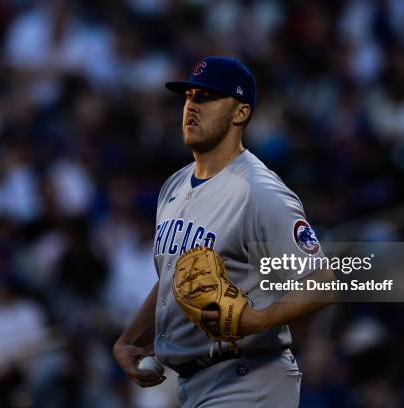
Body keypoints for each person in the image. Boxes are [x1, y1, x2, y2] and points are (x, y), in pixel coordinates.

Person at [113, 56, 333, 407]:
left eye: (207, 97)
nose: (191, 107)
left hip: (248, 378)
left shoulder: (258, 191)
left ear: (240, 112)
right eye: (189, 96)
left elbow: (322, 282)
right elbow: (174, 275)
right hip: (195, 384)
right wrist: (130, 338)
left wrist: (257, 320)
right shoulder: (174, 185)